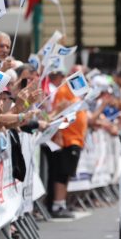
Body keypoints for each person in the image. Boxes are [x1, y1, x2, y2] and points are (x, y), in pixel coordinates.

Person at [47, 68, 88, 218]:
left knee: (66, 173)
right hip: (67, 139)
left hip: (76, 138)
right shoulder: (64, 90)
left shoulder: (77, 91)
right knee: (61, 173)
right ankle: (57, 205)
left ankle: (61, 203)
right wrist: (58, 134)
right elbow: (59, 113)